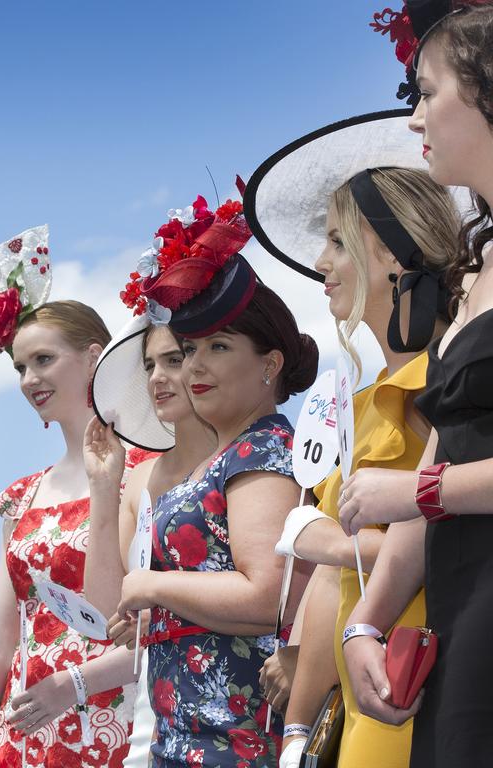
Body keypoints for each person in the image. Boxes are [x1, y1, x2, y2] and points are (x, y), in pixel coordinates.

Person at [245, 109, 462, 765]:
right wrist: (296, 729)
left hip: (422, 682)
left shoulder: (440, 387)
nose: (320, 262)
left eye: (337, 241)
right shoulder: (364, 402)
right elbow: (334, 595)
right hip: (369, 695)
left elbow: (447, 536)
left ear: (392, 255)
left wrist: (326, 540)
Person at [112, 192, 318, 767]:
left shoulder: (263, 451)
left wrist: (151, 587)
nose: (196, 365)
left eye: (218, 348)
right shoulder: (227, 456)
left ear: (270, 365)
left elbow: (263, 597)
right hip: (189, 736)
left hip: (238, 740)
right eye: (192, 349)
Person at [337, 4, 493, 766]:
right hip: (466, 619)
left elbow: (424, 487)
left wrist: (421, 495)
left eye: (426, 93)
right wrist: (366, 620)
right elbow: (442, 454)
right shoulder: (477, 276)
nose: (414, 118)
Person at [0, 226, 138, 768]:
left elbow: (164, 626)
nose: (29, 378)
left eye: (43, 360)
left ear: (94, 357)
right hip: (28, 736)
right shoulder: (21, 497)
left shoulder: (149, 474)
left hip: (122, 725)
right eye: (19, 367)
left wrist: (75, 682)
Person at [82, 241, 219, 767]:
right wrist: (104, 486)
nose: (159, 376)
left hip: (233, 709)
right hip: (154, 720)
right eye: (150, 364)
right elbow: (105, 609)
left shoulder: (246, 459)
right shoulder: (137, 481)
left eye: (175, 359)